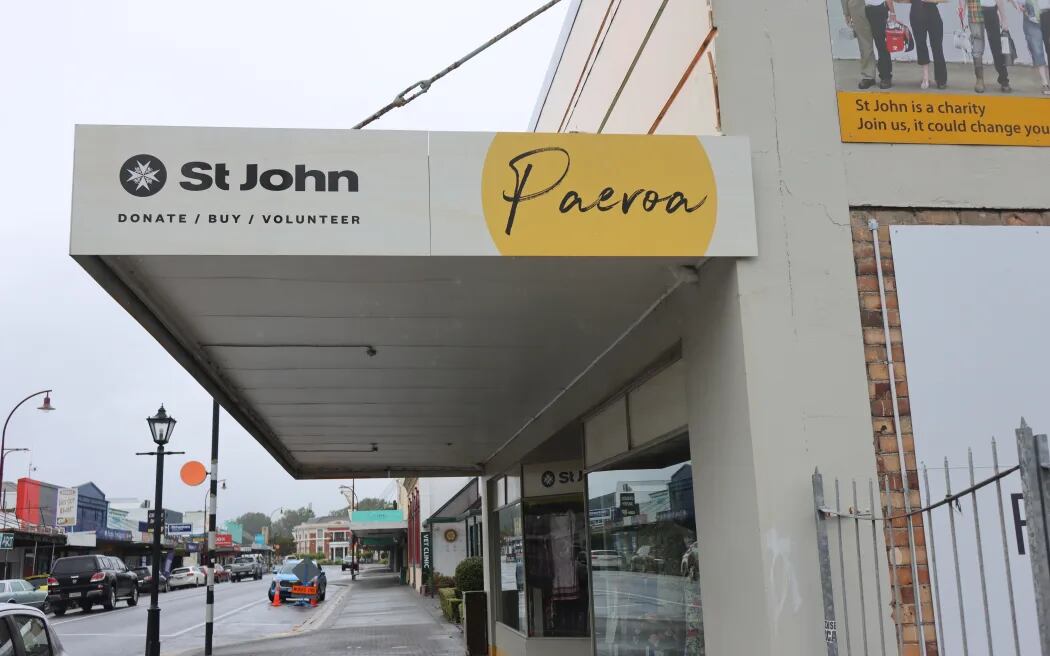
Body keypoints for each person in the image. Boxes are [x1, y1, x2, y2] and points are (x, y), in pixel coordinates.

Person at [960, 0, 1012, 92]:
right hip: (974, 10)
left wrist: (1004, 18)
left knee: (996, 46)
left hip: (991, 10)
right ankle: (979, 80)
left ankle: (1004, 79)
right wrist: (962, 11)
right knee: (977, 46)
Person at [1013, 0, 1050, 93]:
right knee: (1037, 50)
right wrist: (1016, 4)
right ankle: (1045, 83)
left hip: (1047, 12)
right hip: (1030, 15)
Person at [912, 0, 949, 88]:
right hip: (917, 10)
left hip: (932, 11)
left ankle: (941, 79)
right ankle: (925, 77)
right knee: (921, 45)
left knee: (937, 46)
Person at [844, 0, 879, 87]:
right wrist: (846, 12)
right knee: (864, 43)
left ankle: (886, 75)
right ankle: (868, 76)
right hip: (857, 6)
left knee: (882, 41)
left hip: (879, 5)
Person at [866, 0, 897, 87]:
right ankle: (868, 77)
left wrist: (892, 12)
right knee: (865, 45)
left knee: (881, 44)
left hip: (877, 8)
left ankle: (886, 76)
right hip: (861, 9)